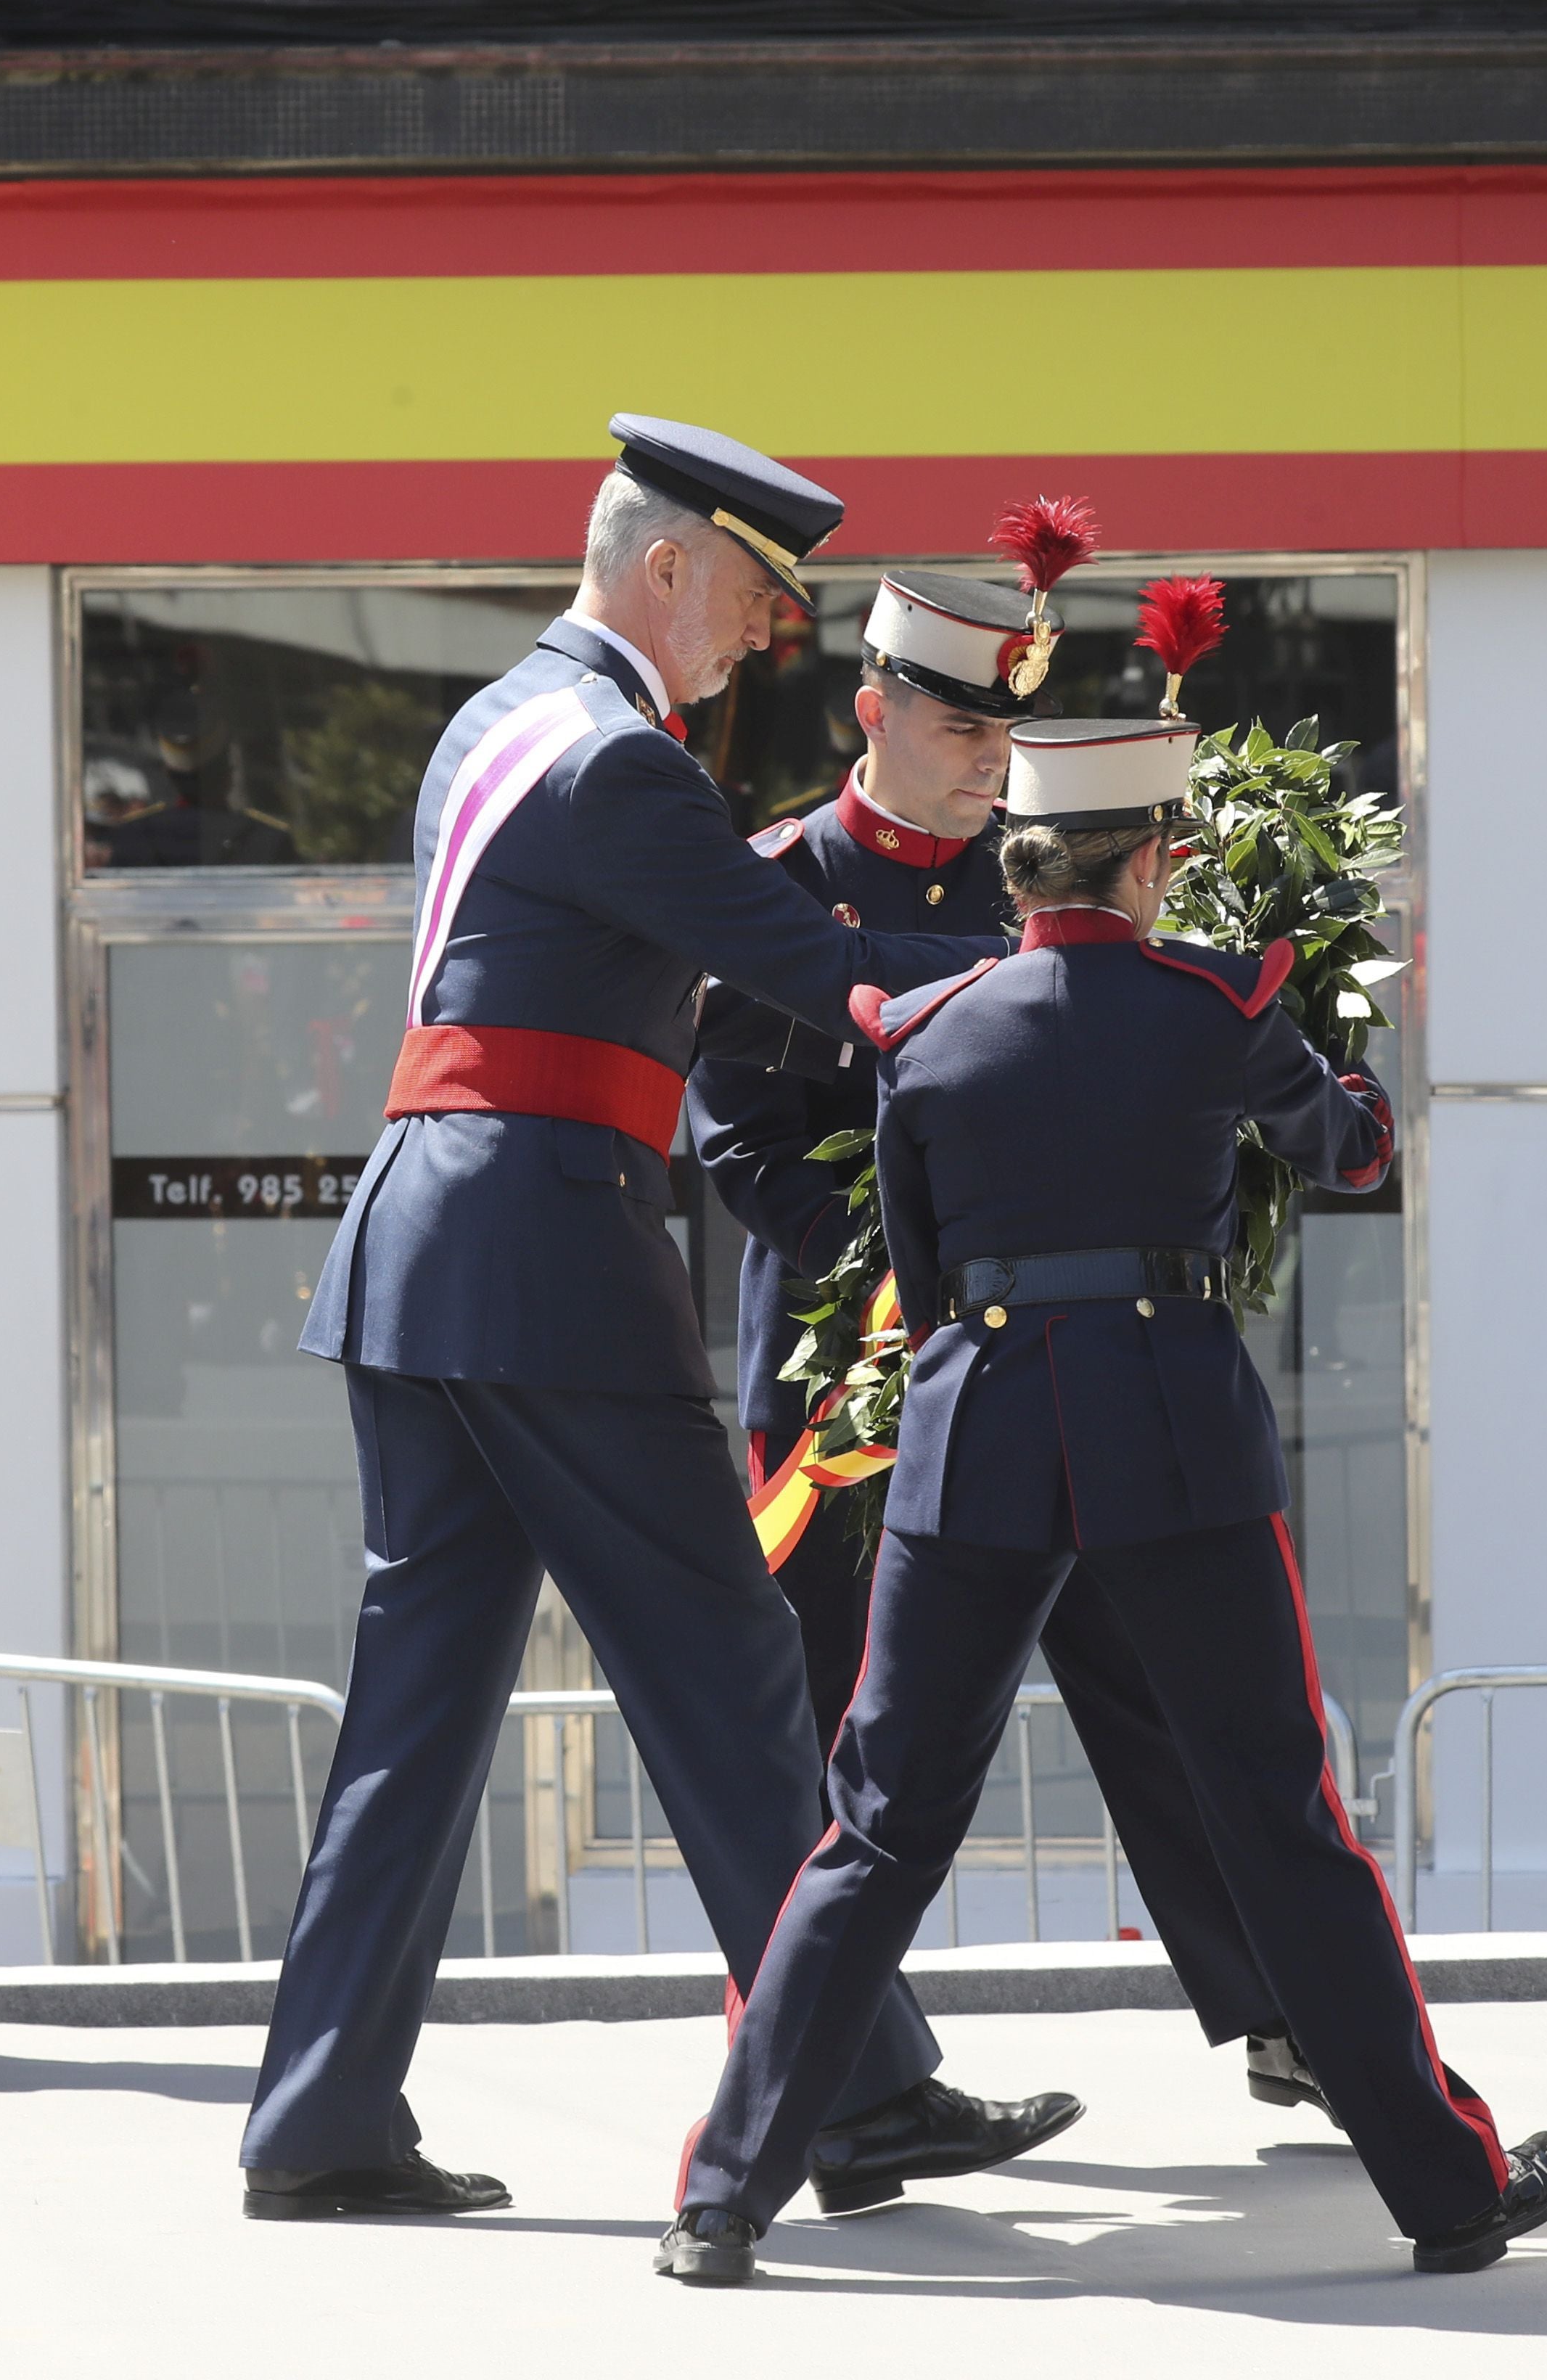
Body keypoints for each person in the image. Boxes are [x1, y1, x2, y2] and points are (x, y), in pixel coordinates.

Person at [240, 417, 1075, 2223]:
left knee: (418, 1707)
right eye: (762, 600)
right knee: (727, 1665)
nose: (768, 639)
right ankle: (851, 2089)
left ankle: (317, 2120)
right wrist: (1088, 960)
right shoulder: (620, 763)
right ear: (669, 565)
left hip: (428, 1248)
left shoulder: (496, 720)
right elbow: (833, 971)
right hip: (545, 1251)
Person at [656, 717, 1547, 2286]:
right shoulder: (1220, 1002)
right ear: (1154, 858)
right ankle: (1447, 2190)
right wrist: (1338, 1058)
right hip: (1173, 1440)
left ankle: (722, 2200)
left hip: (978, 1435)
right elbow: (1349, 1150)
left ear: (1019, 866)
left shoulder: (925, 1024)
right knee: (1283, 1823)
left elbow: (923, 1262)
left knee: (876, 1832)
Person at [686, 569, 1339, 2123]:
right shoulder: (780, 879)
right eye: (960, 720)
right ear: (873, 711)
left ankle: (1290, 2009)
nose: (989, 755)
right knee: (835, 1736)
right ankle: (827, 2092)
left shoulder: (1033, 882)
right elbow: (735, 1142)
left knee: (1164, 1692)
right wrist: (890, 1288)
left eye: (1007, 727)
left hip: (1059, 1360)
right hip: (848, 1375)